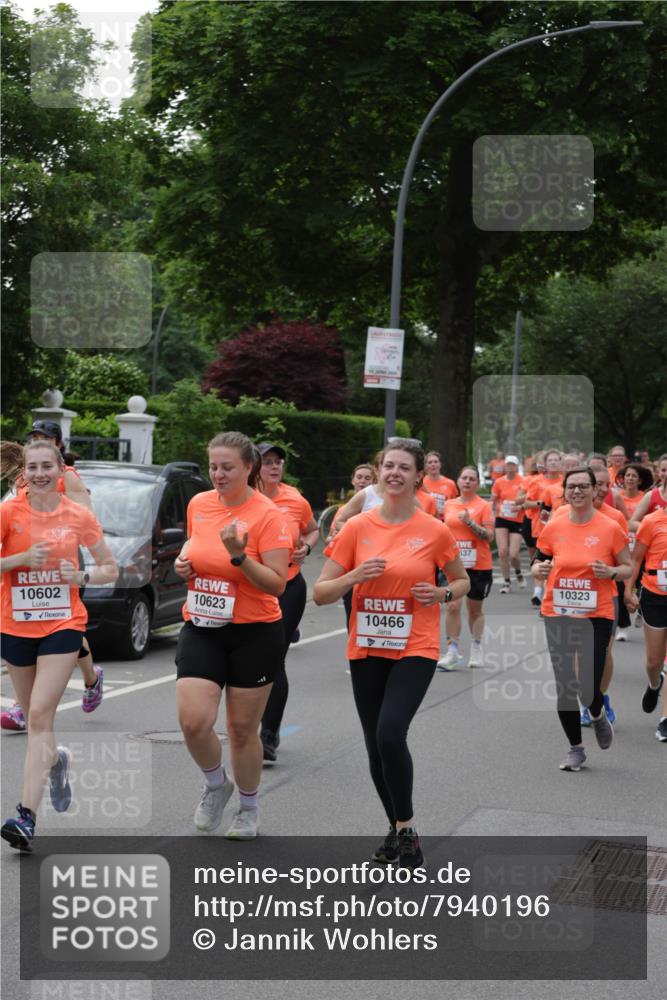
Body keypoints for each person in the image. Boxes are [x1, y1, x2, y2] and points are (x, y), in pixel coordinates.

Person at [313, 439, 469, 868]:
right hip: (365, 647)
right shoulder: (356, 528)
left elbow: (462, 581)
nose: (395, 473)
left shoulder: (434, 530)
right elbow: (321, 593)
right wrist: (355, 577)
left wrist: (441, 592)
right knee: (373, 746)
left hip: (415, 646)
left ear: (420, 475)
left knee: (389, 733)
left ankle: (405, 830)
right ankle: (400, 829)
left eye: (404, 467)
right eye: (388, 466)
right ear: (378, 473)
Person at [0, 440, 117, 850]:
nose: (39, 474)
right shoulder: (8, 512)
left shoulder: (77, 515)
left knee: (39, 715)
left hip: (63, 625)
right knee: (37, 725)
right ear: (24, 472)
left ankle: (25, 817)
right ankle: (56, 761)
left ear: (60, 470)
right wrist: (18, 561)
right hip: (15, 626)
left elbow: (109, 568)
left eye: (47, 466)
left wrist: (81, 578)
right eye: (32, 467)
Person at [174, 432, 291, 840]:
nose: (218, 475)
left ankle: (248, 807)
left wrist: (240, 557)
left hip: (255, 632)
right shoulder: (199, 504)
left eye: (227, 467)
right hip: (203, 626)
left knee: (242, 730)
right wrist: (182, 565)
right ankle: (214, 785)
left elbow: (277, 584)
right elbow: (192, 550)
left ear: (248, 469)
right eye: (213, 467)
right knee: (193, 722)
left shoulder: (269, 515)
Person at [1, 433, 104, 732]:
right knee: (31, 620)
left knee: (60, 622)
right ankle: (27, 703)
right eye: (34, 439)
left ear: (58, 448)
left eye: (45, 439)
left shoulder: (68, 477)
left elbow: (86, 516)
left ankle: (90, 679)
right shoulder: (25, 476)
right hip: (26, 564)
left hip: (60, 562)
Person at [531, 467, 631, 772]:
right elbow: (539, 559)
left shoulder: (610, 527)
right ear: (564, 490)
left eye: (583, 486)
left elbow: (627, 566)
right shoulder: (555, 524)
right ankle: (575, 748)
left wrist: (612, 572)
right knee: (565, 685)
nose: (577, 491)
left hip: (597, 613)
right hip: (558, 610)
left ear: (594, 490)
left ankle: (598, 713)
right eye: (571, 486)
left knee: (588, 683)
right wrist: (537, 570)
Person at [256, 442, 319, 762]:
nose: (274, 466)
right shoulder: (243, 499)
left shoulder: (295, 499)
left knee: (273, 657)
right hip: (250, 589)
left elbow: (312, 530)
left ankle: (268, 734)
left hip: (288, 587)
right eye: (267, 461)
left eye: (278, 461)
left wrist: (306, 548)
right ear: (255, 465)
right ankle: (244, 724)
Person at [438, 466, 494, 669]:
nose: (467, 481)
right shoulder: (449, 504)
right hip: (454, 563)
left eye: (472, 479)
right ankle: (452, 651)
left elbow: (489, 536)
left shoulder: (484, 506)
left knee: (474, 609)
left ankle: (476, 647)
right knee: (452, 605)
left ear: (477, 484)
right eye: (464, 478)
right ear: (458, 481)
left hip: (478, 564)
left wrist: (470, 523)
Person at [624, 503, 667, 742]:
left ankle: (665, 719)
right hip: (655, 595)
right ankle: (654, 683)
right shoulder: (652, 521)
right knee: (654, 661)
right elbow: (636, 558)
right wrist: (629, 590)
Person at [491, 455, 526, 593]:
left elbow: (529, 499)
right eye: (508, 465)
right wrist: (492, 510)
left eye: (513, 465)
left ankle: (518, 572)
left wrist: (520, 507)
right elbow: (493, 499)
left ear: (517, 467)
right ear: (505, 466)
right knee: (502, 551)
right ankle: (506, 582)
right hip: (502, 518)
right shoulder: (499, 482)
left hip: (517, 519)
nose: (510, 467)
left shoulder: (523, 481)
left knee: (514, 554)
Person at [422, 451, 458, 520]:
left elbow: (454, 505)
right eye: (430, 462)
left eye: (436, 462)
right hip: (427, 520)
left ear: (440, 464)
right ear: (425, 466)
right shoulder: (421, 483)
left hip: (444, 521)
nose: (433, 464)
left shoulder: (450, 484)